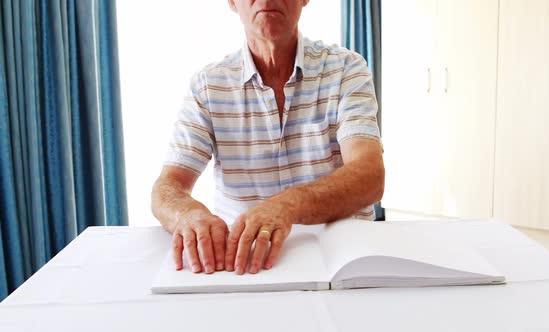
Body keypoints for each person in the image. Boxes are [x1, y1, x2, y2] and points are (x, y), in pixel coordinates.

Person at [151, 0, 384, 276]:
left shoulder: (347, 69)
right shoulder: (208, 85)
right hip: (246, 265)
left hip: (341, 262)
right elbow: (168, 187)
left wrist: (287, 205)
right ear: (231, 2)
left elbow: (370, 176)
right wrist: (188, 215)